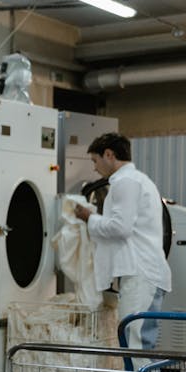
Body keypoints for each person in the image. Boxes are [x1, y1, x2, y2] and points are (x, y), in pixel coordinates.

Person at [72, 132, 171, 354]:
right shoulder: (139, 180)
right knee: (138, 347)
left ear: (109, 154)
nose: (95, 168)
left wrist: (90, 217)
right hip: (144, 273)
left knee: (137, 348)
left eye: (95, 161)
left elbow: (120, 228)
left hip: (141, 276)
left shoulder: (125, 182)